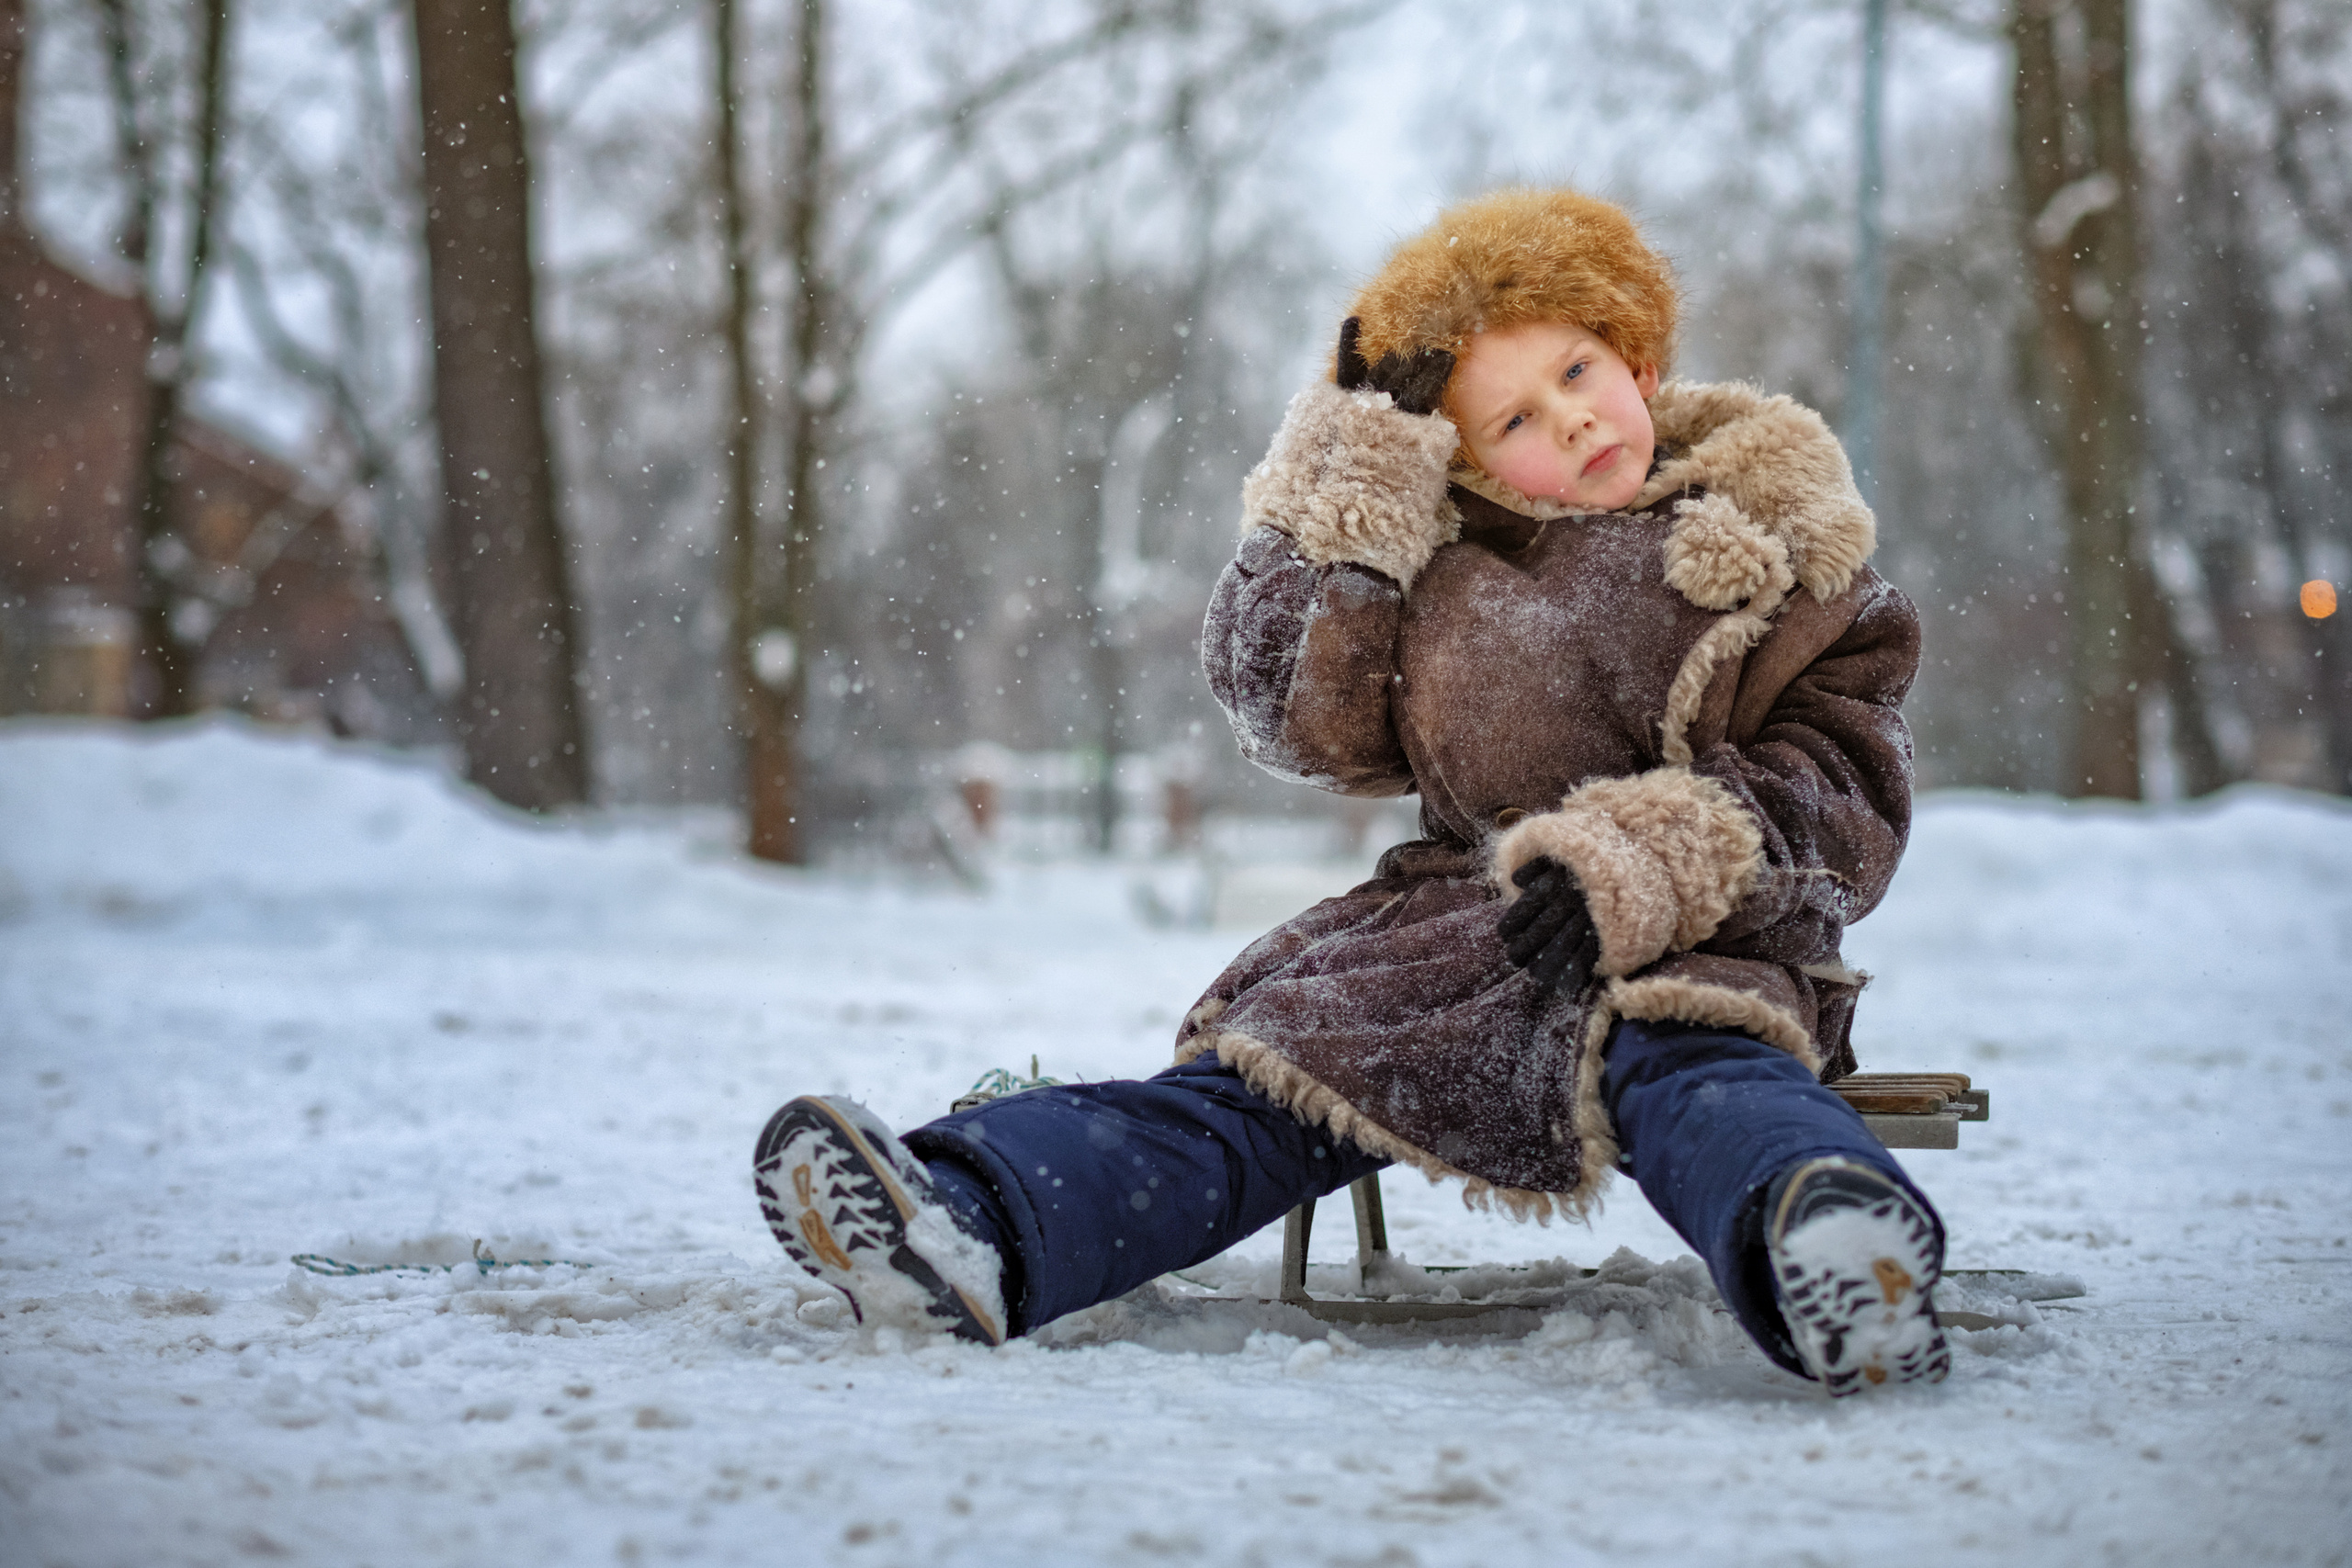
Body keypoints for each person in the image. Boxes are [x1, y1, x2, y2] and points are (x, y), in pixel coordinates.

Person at [752, 186, 1948, 1395]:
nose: (1572, 420)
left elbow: (1844, 790)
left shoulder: (1793, 556)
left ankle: (1830, 1247)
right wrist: (1356, 477)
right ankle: (970, 1219)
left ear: (1636, 358)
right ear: (1470, 458)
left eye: (1578, 372)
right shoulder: (1441, 571)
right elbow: (1285, 713)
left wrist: (1644, 861)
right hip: (1454, 935)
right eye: (1517, 419)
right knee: (1256, 1092)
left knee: (1705, 1076)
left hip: (1701, 938)